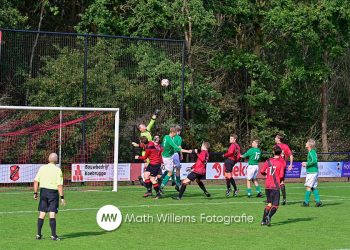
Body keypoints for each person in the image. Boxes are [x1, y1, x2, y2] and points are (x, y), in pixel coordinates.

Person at [33, 153, 65, 241]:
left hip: (43, 192)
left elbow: (36, 181)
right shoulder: (58, 170)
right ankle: (54, 236)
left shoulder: (42, 168)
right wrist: (62, 197)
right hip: (53, 193)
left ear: (48, 159)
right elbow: (59, 185)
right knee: (52, 213)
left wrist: (35, 193)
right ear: (56, 160)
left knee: (42, 213)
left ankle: (38, 235)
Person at [132, 109, 160, 186]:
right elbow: (143, 145)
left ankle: (146, 180)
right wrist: (137, 145)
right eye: (143, 126)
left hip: (151, 151)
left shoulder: (147, 129)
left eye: (144, 125)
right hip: (146, 151)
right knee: (150, 166)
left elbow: (152, 121)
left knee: (149, 166)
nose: (145, 126)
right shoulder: (142, 136)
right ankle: (144, 178)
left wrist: (155, 113)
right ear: (141, 129)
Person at [260, 146, 286, 226]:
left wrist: (266, 174)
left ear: (273, 152)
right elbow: (281, 176)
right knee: (276, 205)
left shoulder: (268, 161)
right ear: (280, 153)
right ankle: (269, 216)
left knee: (269, 204)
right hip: (275, 186)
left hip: (267, 185)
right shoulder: (281, 163)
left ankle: (263, 221)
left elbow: (262, 171)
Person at [302, 139, 322, 207]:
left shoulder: (311, 152)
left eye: (307, 142)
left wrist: (306, 164)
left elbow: (314, 161)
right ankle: (318, 201)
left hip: (312, 172)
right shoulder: (311, 151)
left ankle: (306, 202)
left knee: (308, 186)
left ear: (309, 145)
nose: (306, 143)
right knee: (313, 187)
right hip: (314, 171)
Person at [274, 133, 293, 205]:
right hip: (282, 166)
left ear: (279, 139)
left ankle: (273, 198)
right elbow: (291, 155)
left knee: (275, 181)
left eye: (276, 137)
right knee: (280, 181)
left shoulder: (276, 146)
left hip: (278, 166)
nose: (275, 139)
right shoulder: (285, 146)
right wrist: (290, 164)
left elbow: (275, 157)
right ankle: (284, 199)